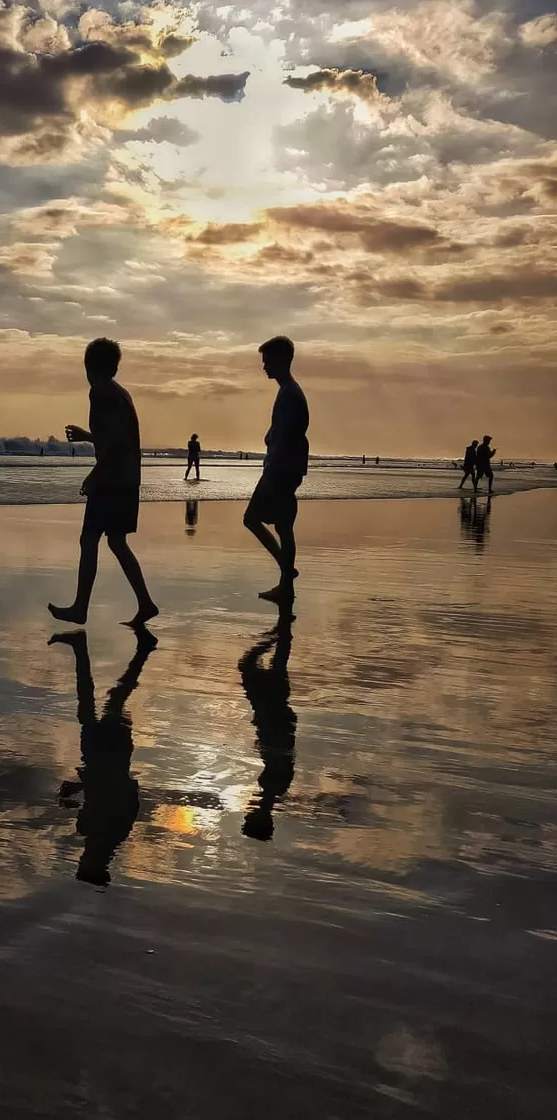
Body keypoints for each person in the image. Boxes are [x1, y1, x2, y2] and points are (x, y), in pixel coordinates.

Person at [49, 337, 158, 627]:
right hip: (128, 478)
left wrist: (94, 475)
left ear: (88, 366)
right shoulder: (121, 393)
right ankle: (146, 603)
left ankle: (80, 608)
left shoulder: (100, 392)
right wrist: (88, 436)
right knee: (117, 541)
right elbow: (117, 437)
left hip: (111, 479)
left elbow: (111, 445)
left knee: (89, 540)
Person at [51, 626, 157, 885]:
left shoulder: (87, 830)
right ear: (98, 864)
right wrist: (83, 786)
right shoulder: (116, 830)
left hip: (96, 757)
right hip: (111, 754)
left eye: (81, 862)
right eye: (86, 863)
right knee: (113, 700)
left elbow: (100, 793)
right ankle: (143, 649)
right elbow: (124, 787)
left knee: (93, 707)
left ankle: (82, 647)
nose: (83, 858)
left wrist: (77, 790)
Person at [243, 335, 309, 603]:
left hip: (280, 470)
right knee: (283, 526)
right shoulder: (290, 392)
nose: (264, 366)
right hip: (289, 469)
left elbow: (287, 436)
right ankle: (286, 586)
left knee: (251, 519)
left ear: (282, 360)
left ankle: (286, 570)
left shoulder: (289, 394)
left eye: (268, 361)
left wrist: (273, 465)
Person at [239, 609, 296, 841]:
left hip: (274, 718)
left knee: (277, 663)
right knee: (248, 664)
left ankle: (282, 627)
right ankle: (278, 631)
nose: (247, 813)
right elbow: (280, 752)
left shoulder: (274, 790)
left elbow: (284, 752)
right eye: (249, 819)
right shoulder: (274, 788)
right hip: (272, 718)